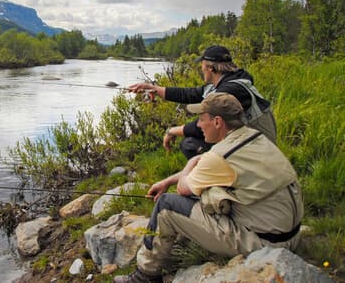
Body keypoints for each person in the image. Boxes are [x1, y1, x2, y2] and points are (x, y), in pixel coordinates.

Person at [113, 93, 303, 283]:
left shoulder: (220, 155)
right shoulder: (254, 138)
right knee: (205, 194)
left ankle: (145, 275)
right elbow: (212, 171)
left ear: (218, 122)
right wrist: (167, 181)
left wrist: (193, 161)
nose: (199, 125)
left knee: (166, 206)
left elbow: (183, 189)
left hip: (263, 243)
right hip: (291, 236)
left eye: (202, 119)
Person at [128, 45, 276, 159]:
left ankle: (213, 181)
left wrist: (172, 130)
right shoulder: (228, 82)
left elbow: (204, 126)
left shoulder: (229, 91)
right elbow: (189, 94)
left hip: (257, 150)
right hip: (250, 140)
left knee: (189, 144)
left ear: (210, 68)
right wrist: (153, 88)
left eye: (202, 65)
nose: (201, 68)